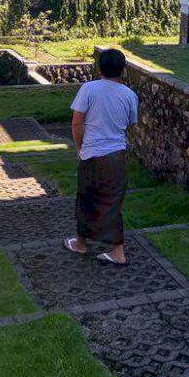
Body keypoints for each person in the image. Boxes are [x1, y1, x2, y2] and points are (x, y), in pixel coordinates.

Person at [64, 49, 138, 265]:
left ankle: (80, 243)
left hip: (92, 154)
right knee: (113, 201)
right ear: (123, 70)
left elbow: (77, 122)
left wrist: (80, 148)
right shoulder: (129, 95)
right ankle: (117, 250)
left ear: (99, 69)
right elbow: (130, 125)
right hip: (117, 155)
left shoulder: (89, 89)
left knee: (86, 198)